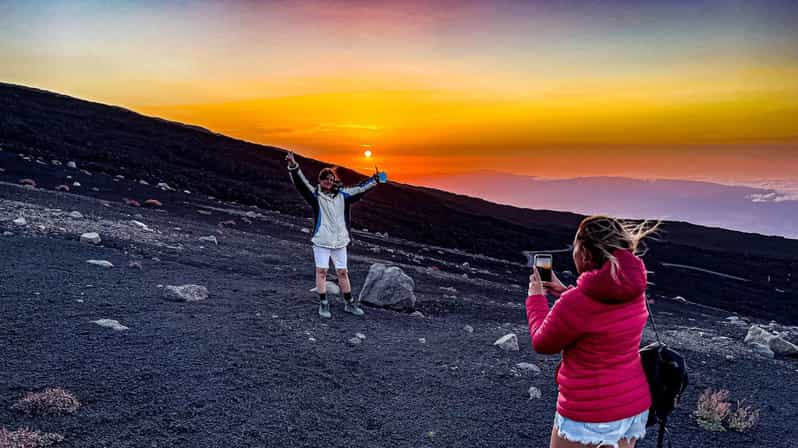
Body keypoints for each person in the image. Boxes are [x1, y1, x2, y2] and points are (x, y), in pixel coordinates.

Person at [526, 215, 660, 448]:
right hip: (632, 406)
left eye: (576, 247)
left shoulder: (578, 303)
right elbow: (602, 320)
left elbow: (542, 343)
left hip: (588, 412)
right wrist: (566, 292)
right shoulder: (633, 289)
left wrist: (536, 298)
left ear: (586, 254)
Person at [285, 151, 384, 318]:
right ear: (320, 180)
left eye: (331, 179)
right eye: (326, 179)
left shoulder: (343, 196)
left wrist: (375, 180)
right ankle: (324, 304)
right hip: (322, 241)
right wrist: (293, 166)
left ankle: (349, 303)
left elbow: (360, 189)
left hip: (339, 242)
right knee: (321, 272)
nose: (329, 182)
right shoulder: (315, 196)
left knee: (342, 273)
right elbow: (301, 184)